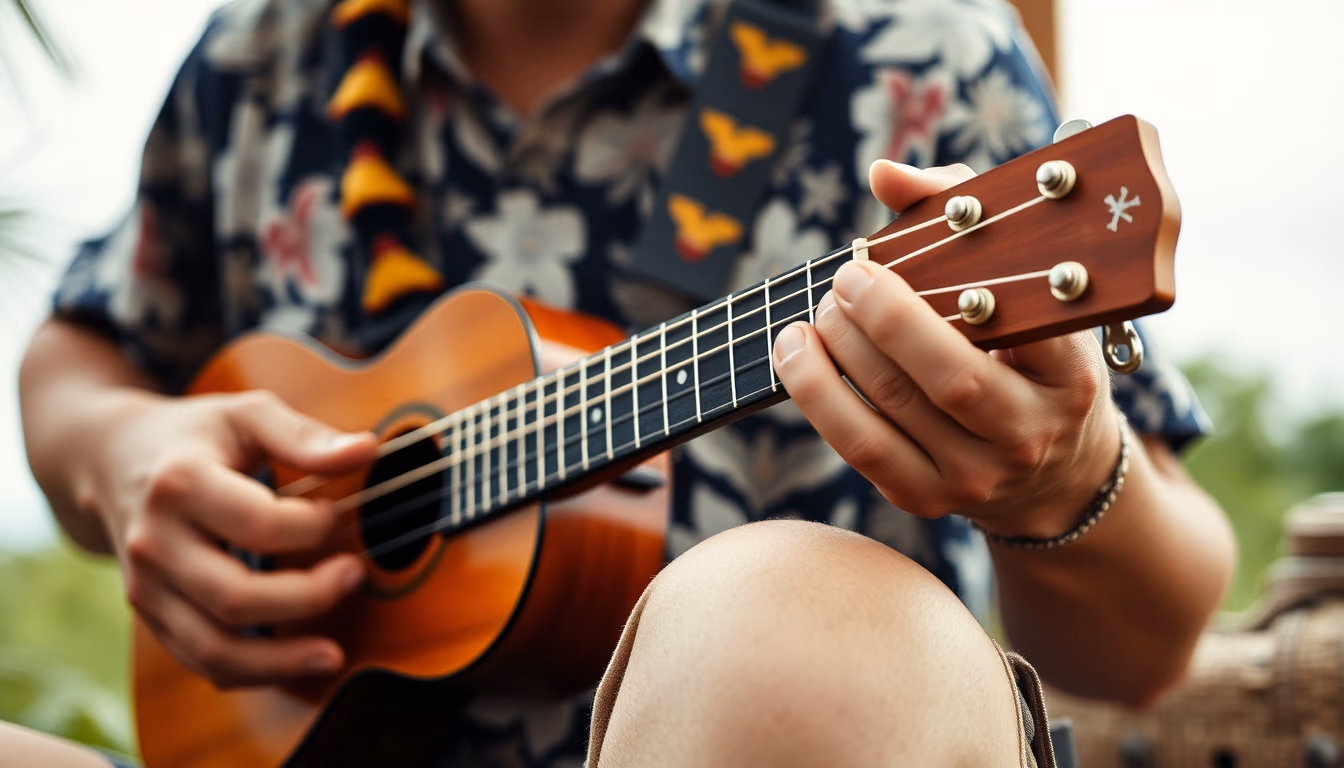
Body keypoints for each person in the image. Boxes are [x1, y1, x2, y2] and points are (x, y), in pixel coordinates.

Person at [14, 0, 1235, 765]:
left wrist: (1065, 483)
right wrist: (121, 455)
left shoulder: (922, 55)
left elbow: (1154, 636)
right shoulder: (263, 57)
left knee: (779, 616)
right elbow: (80, 353)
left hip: (819, 732)